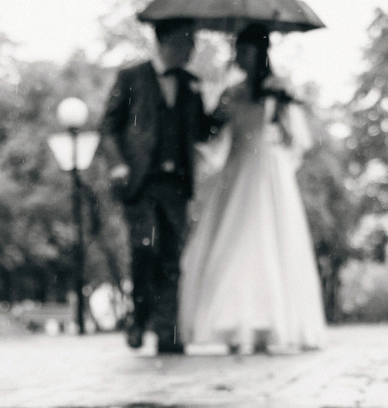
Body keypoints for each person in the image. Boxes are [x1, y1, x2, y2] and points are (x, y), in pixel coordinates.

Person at [178, 24, 327, 354]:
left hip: (267, 172)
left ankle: (271, 323)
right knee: (232, 242)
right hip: (236, 169)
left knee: (267, 242)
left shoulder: (277, 90)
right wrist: (212, 104)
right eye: (237, 49)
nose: (240, 56)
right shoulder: (231, 92)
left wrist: (281, 110)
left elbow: (294, 140)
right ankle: (232, 322)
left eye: (246, 50)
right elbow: (208, 132)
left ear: (261, 52)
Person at [101, 19, 222, 354]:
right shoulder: (131, 77)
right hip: (140, 182)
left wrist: (225, 107)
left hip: (177, 186)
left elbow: (201, 132)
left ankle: (166, 331)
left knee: (170, 257)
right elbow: (108, 125)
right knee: (144, 250)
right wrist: (118, 164)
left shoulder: (191, 84)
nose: (193, 49)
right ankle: (139, 318)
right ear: (168, 41)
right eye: (188, 41)